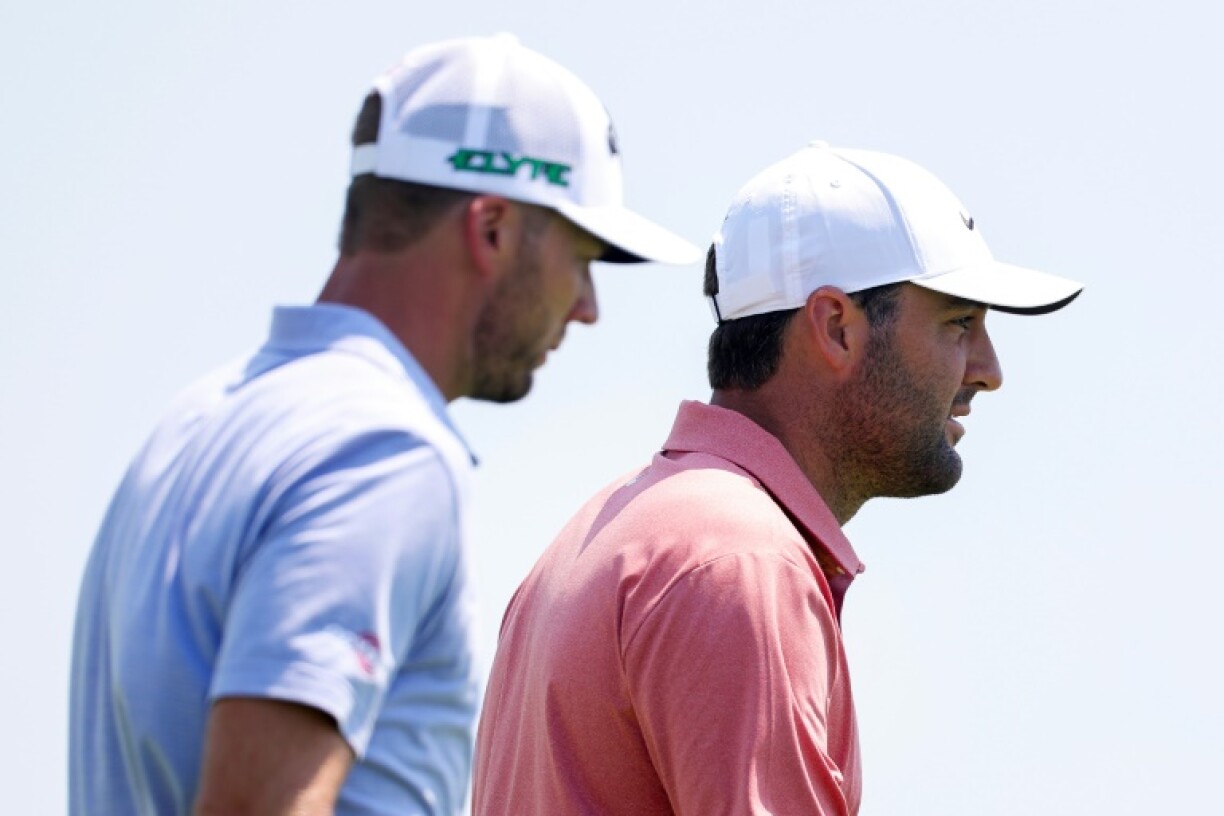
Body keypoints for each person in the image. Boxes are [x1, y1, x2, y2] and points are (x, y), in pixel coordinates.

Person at [68, 33, 698, 816]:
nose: (587, 306)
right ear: (492, 228)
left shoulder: (193, 424)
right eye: (580, 255)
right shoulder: (383, 454)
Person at [472, 141, 1083, 815]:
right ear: (835, 328)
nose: (989, 370)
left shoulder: (624, 532)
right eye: (959, 323)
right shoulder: (737, 557)